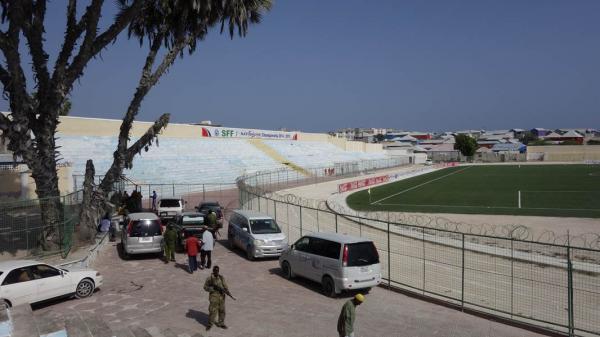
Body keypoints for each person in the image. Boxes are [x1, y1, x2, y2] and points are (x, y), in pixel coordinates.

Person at [203, 266, 228, 330]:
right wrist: (212, 289)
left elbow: (225, 285)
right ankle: (209, 324)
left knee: (222, 311)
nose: (216, 272)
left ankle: (221, 323)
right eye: (215, 271)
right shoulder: (210, 279)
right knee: (212, 311)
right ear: (213, 271)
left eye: (217, 271)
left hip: (221, 298)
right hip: (214, 298)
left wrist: (225, 289)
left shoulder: (221, 278)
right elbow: (205, 287)